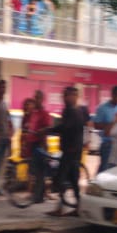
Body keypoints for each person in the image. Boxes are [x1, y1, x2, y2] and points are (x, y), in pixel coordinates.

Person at [44, 86, 89, 216]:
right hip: (73, 150)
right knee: (73, 180)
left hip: (71, 150)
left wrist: (49, 130)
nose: (66, 98)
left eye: (69, 95)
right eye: (65, 95)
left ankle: (61, 208)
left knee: (60, 178)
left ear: (75, 96)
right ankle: (78, 208)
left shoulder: (73, 111)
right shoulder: (74, 110)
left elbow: (66, 128)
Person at [21, 96, 53, 204]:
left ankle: (40, 195)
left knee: (40, 171)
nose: (35, 101)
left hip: (40, 145)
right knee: (35, 171)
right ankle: (37, 194)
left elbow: (46, 129)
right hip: (32, 145)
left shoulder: (44, 113)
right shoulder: (33, 114)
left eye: (37, 99)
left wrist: (42, 142)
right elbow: (26, 131)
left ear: (41, 100)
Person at [92, 85, 117, 173]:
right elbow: (96, 125)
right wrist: (110, 124)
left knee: (116, 169)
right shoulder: (102, 108)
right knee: (104, 167)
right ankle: (97, 184)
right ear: (112, 95)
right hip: (107, 143)